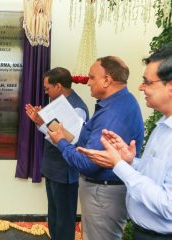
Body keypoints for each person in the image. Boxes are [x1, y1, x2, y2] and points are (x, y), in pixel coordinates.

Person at [77, 47, 172, 239]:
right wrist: (130, 161)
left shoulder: (118, 109)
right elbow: (156, 177)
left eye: (147, 82)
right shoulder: (162, 126)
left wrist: (119, 165)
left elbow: (167, 206)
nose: (140, 87)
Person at [48, 56, 144, 240]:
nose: (87, 82)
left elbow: (88, 164)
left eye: (92, 77)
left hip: (103, 193)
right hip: (103, 191)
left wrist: (61, 141)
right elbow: (87, 139)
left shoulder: (112, 112)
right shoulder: (118, 103)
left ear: (107, 80)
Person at [25, 67, 89, 240]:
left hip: (65, 171)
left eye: (47, 88)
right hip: (52, 167)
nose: (45, 92)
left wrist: (43, 123)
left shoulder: (78, 109)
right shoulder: (56, 103)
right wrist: (39, 122)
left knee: (64, 219)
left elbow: (71, 141)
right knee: (53, 215)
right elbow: (51, 135)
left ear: (59, 86)